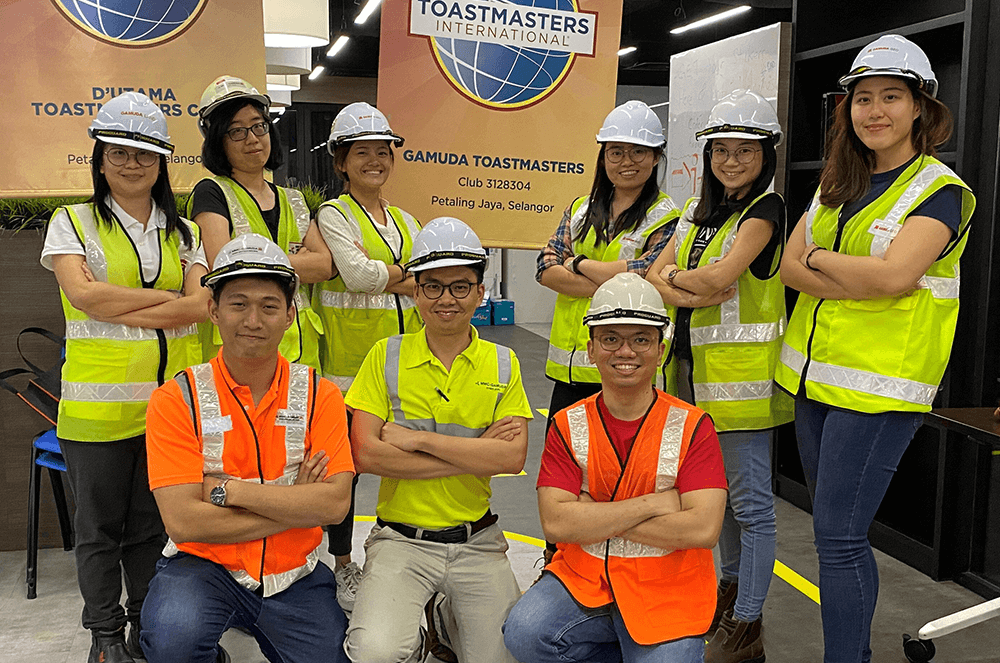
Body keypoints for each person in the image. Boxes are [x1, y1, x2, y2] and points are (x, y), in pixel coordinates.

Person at [775, 34, 974, 663]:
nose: (875, 110)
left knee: (838, 539)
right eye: (863, 98)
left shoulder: (941, 190)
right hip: (811, 383)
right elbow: (788, 267)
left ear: (921, 107)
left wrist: (825, 261)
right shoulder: (838, 180)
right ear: (848, 108)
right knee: (833, 534)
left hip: (880, 390)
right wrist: (855, 270)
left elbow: (895, 278)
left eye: (892, 96)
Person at [40, 92, 209, 663]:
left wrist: (124, 303)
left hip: (167, 414)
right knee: (98, 531)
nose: (132, 162)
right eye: (119, 151)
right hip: (95, 412)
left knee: (149, 528)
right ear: (100, 156)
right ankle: (104, 635)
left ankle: (144, 625)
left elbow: (200, 307)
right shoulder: (72, 221)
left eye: (145, 153)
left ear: (162, 161)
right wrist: (166, 299)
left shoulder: (183, 232)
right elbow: (83, 296)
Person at [140, 234, 354, 663]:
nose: (253, 319)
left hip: (295, 573)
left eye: (269, 306)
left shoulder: (320, 395)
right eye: (238, 303)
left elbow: (333, 507)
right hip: (204, 567)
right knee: (172, 641)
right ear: (213, 310)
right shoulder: (177, 398)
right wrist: (296, 503)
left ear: (291, 314)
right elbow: (183, 522)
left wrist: (226, 492)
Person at [503, 272, 728, 663]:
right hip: (586, 582)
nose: (625, 351)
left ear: (661, 350)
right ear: (591, 349)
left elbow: (703, 529)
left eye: (641, 339)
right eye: (611, 339)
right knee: (525, 634)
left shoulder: (693, 426)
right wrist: (655, 503)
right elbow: (556, 524)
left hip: (667, 591)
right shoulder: (568, 423)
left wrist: (590, 512)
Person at [343, 217, 532, 663]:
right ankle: (418, 632)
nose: (446, 299)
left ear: (481, 293)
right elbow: (366, 453)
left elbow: (512, 457)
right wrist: (477, 453)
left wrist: (415, 441)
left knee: (505, 657)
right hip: (401, 542)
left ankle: (445, 618)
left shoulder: (503, 363)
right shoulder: (386, 355)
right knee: (375, 653)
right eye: (433, 286)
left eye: (461, 286)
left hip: (478, 543)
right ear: (414, 291)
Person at [647, 90, 793, 663]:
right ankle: (728, 596)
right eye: (721, 150)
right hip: (688, 375)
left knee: (752, 506)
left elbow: (720, 280)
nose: (731, 160)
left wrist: (689, 281)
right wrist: (690, 280)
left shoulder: (768, 210)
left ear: (766, 154)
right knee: (716, 500)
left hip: (743, 382)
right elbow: (663, 275)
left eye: (744, 150)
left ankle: (748, 622)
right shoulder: (697, 213)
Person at [313, 102, 423, 610]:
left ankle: (401, 549)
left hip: (403, 365)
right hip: (347, 370)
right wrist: (404, 272)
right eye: (362, 153)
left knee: (404, 461)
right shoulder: (333, 214)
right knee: (348, 470)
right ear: (341, 161)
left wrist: (395, 272)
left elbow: (428, 276)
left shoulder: (404, 217)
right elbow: (355, 276)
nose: (375, 161)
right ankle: (341, 564)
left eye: (384, 151)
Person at [188, 75, 331, 369]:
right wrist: (297, 260)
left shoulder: (293, 199)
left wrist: (254, 259)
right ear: (218, 141)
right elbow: (224, 265)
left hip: (302, 354)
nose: (252, 138)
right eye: (236, 132)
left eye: (258, 126)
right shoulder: (212, 192)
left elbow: (325, 265)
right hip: (242, 354)